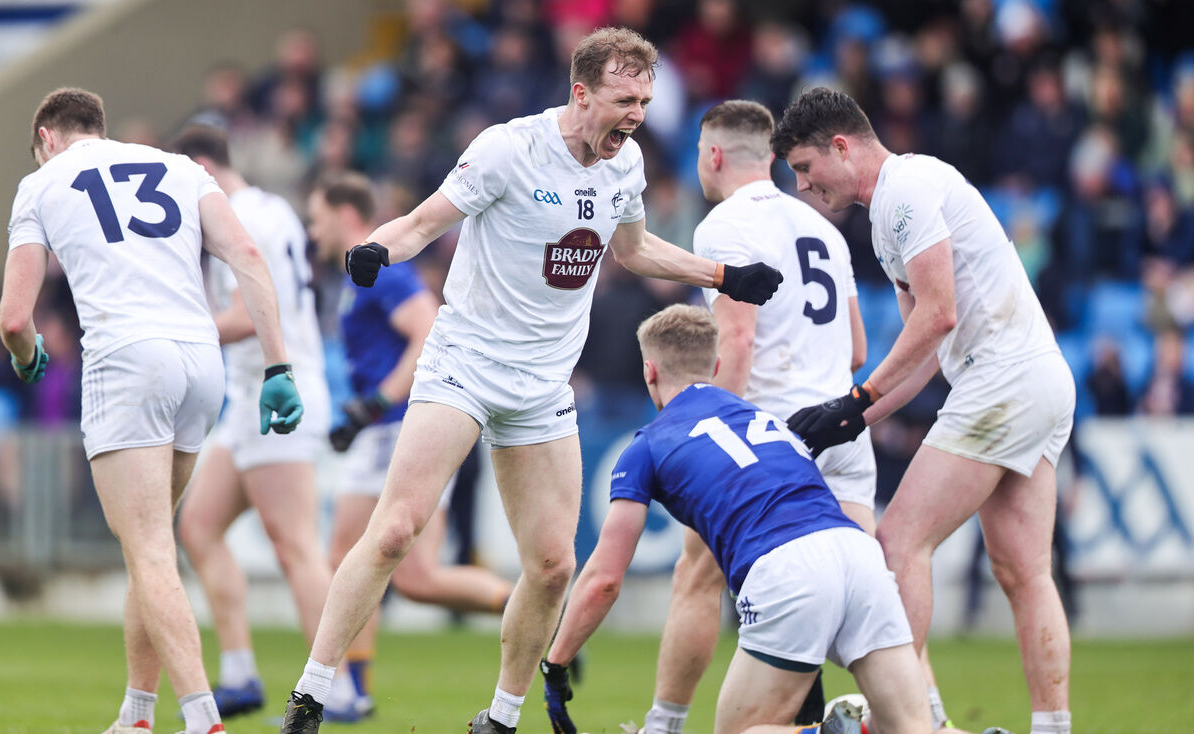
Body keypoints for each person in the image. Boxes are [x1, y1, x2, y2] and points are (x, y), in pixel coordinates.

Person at [278, 27, 782, 734]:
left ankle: (502, 717)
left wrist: (723, 276)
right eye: (624, 100)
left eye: (644, 101)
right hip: (465, 363)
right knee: (393, 531)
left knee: (552, 567)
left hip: (543, 386)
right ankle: (310, 696)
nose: (637, 115)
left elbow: (634, 249)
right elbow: (423, 222)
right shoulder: (507, 149)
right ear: (581, 93)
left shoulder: (626, 164)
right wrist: (375, 249)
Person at [0, 87, 303, 734]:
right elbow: (248, 256)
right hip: (201, 360)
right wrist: (279, 366)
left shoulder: (42, 182)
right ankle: (137, 714)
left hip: (128, 360)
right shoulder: (182, 167)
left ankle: (203, 719)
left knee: (150, 551)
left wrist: (26, 360)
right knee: (153, 543)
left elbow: (15, 320)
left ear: (46, 139)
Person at [777, 87, 1075, 734]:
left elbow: (938, 316)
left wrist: (856, 399)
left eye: (804, 167)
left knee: (900, 543)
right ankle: (1048, 727)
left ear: (841, 146)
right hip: (1039, 379)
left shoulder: (904, 193)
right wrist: (850, 419)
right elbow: (926, 356)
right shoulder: (896, 204)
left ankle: (909, 721)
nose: (802, 185)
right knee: (1024, 572)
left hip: (1001, 381)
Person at [540, 303, 972, 734]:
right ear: (717, 366)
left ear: (649, 372)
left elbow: (604, 580)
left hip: (786, 569)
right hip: (859, 553)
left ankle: (828, 733)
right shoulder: (768, 420)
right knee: (910, 728)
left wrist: (555, 665)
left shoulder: (648, 445)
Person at [635, 99, 881, 734]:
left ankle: (663, 726)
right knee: (862, 604)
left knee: (697, 577)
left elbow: (737, 339)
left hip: (773, 436)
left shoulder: (725, 225)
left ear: (713, 155)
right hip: (843, 429)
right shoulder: (822, 227)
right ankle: (919, 719)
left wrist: (714, 428)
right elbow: (857, 349)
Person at [306, 172, 515, 718]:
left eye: (317, 218)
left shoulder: (384, 270)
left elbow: (426, 329)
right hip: (390, 426)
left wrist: (376, 403)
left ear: (345, 214)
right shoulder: (357, 276)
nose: (312, 230)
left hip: (398, 426)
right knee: (417, 578)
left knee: (348, 557)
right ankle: (529, 607)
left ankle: (351, 690)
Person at [168, 125, 336, 720]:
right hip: (247, 397)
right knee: (198, 527)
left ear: (201, 168)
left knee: (295, 545)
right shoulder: (261, 211)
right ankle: (240, 673)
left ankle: (333, 687)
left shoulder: (246, 217)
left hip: (279, 386)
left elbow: (256, 313)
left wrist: (178, 332)